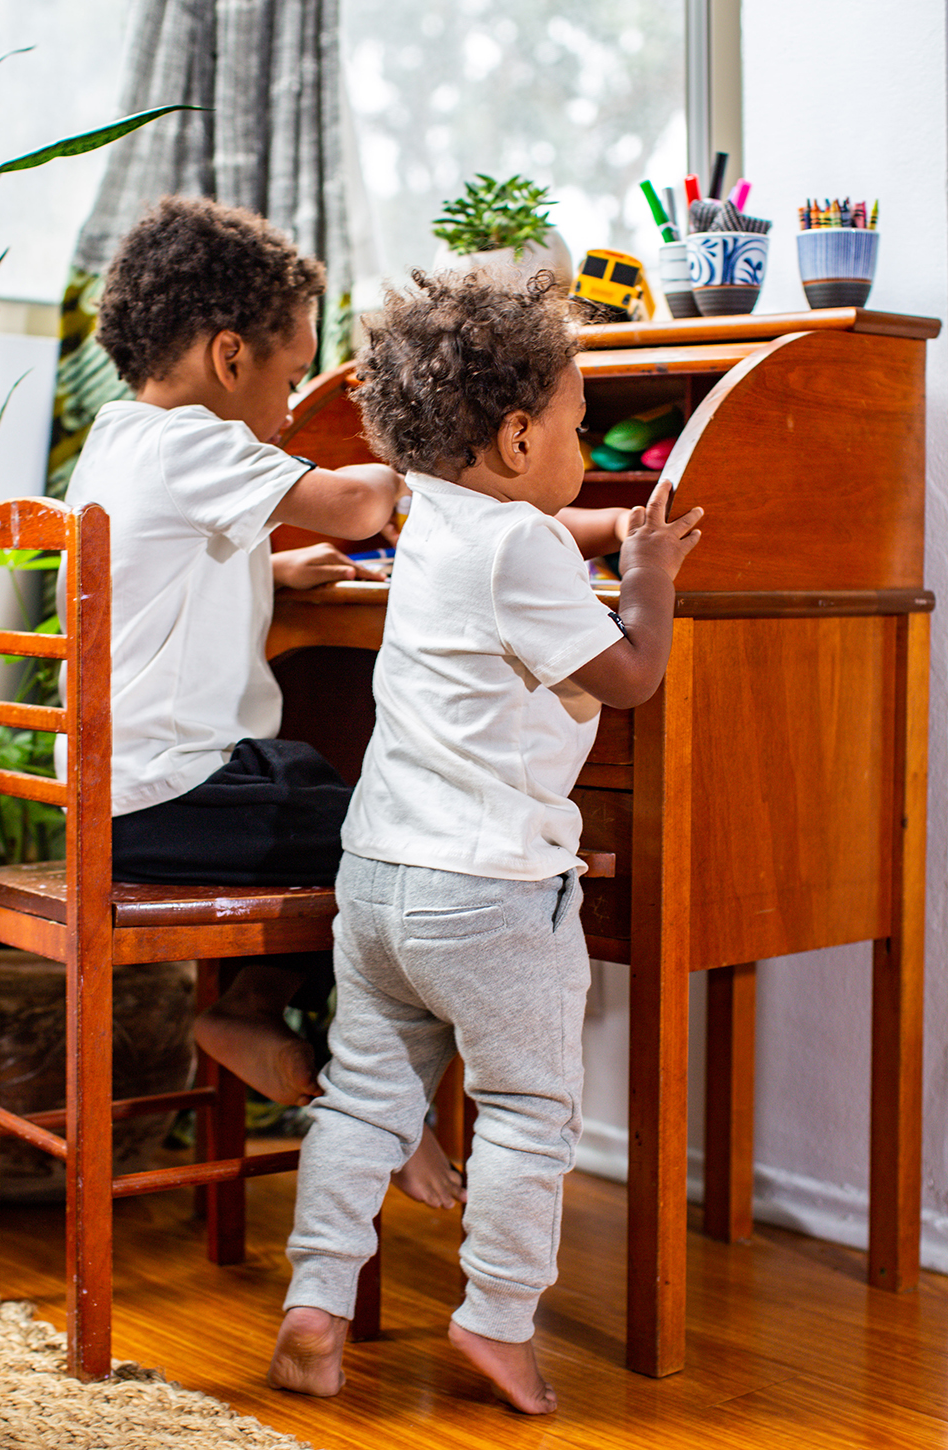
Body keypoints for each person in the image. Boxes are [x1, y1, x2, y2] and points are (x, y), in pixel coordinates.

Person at [268, 270, 704, 1414]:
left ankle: (314, 1304)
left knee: (363, 1099)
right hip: (492, 891)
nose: (575, 449)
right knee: (524, 1107)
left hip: (377, 882)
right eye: (569, 428)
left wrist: (604, 523)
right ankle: (496, 1319)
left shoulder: (434, 519)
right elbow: (628, 675)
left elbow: (539, 531)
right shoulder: (529, 553)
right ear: (516, 436)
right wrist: (646, 581)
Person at [60, 196, 460, 1208]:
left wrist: (276, 579)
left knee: (321, 781)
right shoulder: (192, 443)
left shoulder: (118, 441)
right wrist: (425, 453)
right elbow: (363, 501)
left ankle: (254, 1002)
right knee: (403, 846)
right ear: (229, 356)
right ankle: (375, 1100)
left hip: (125, 794)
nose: (289, 408)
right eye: (288, 379)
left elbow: (149, 585)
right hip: (167, 799)